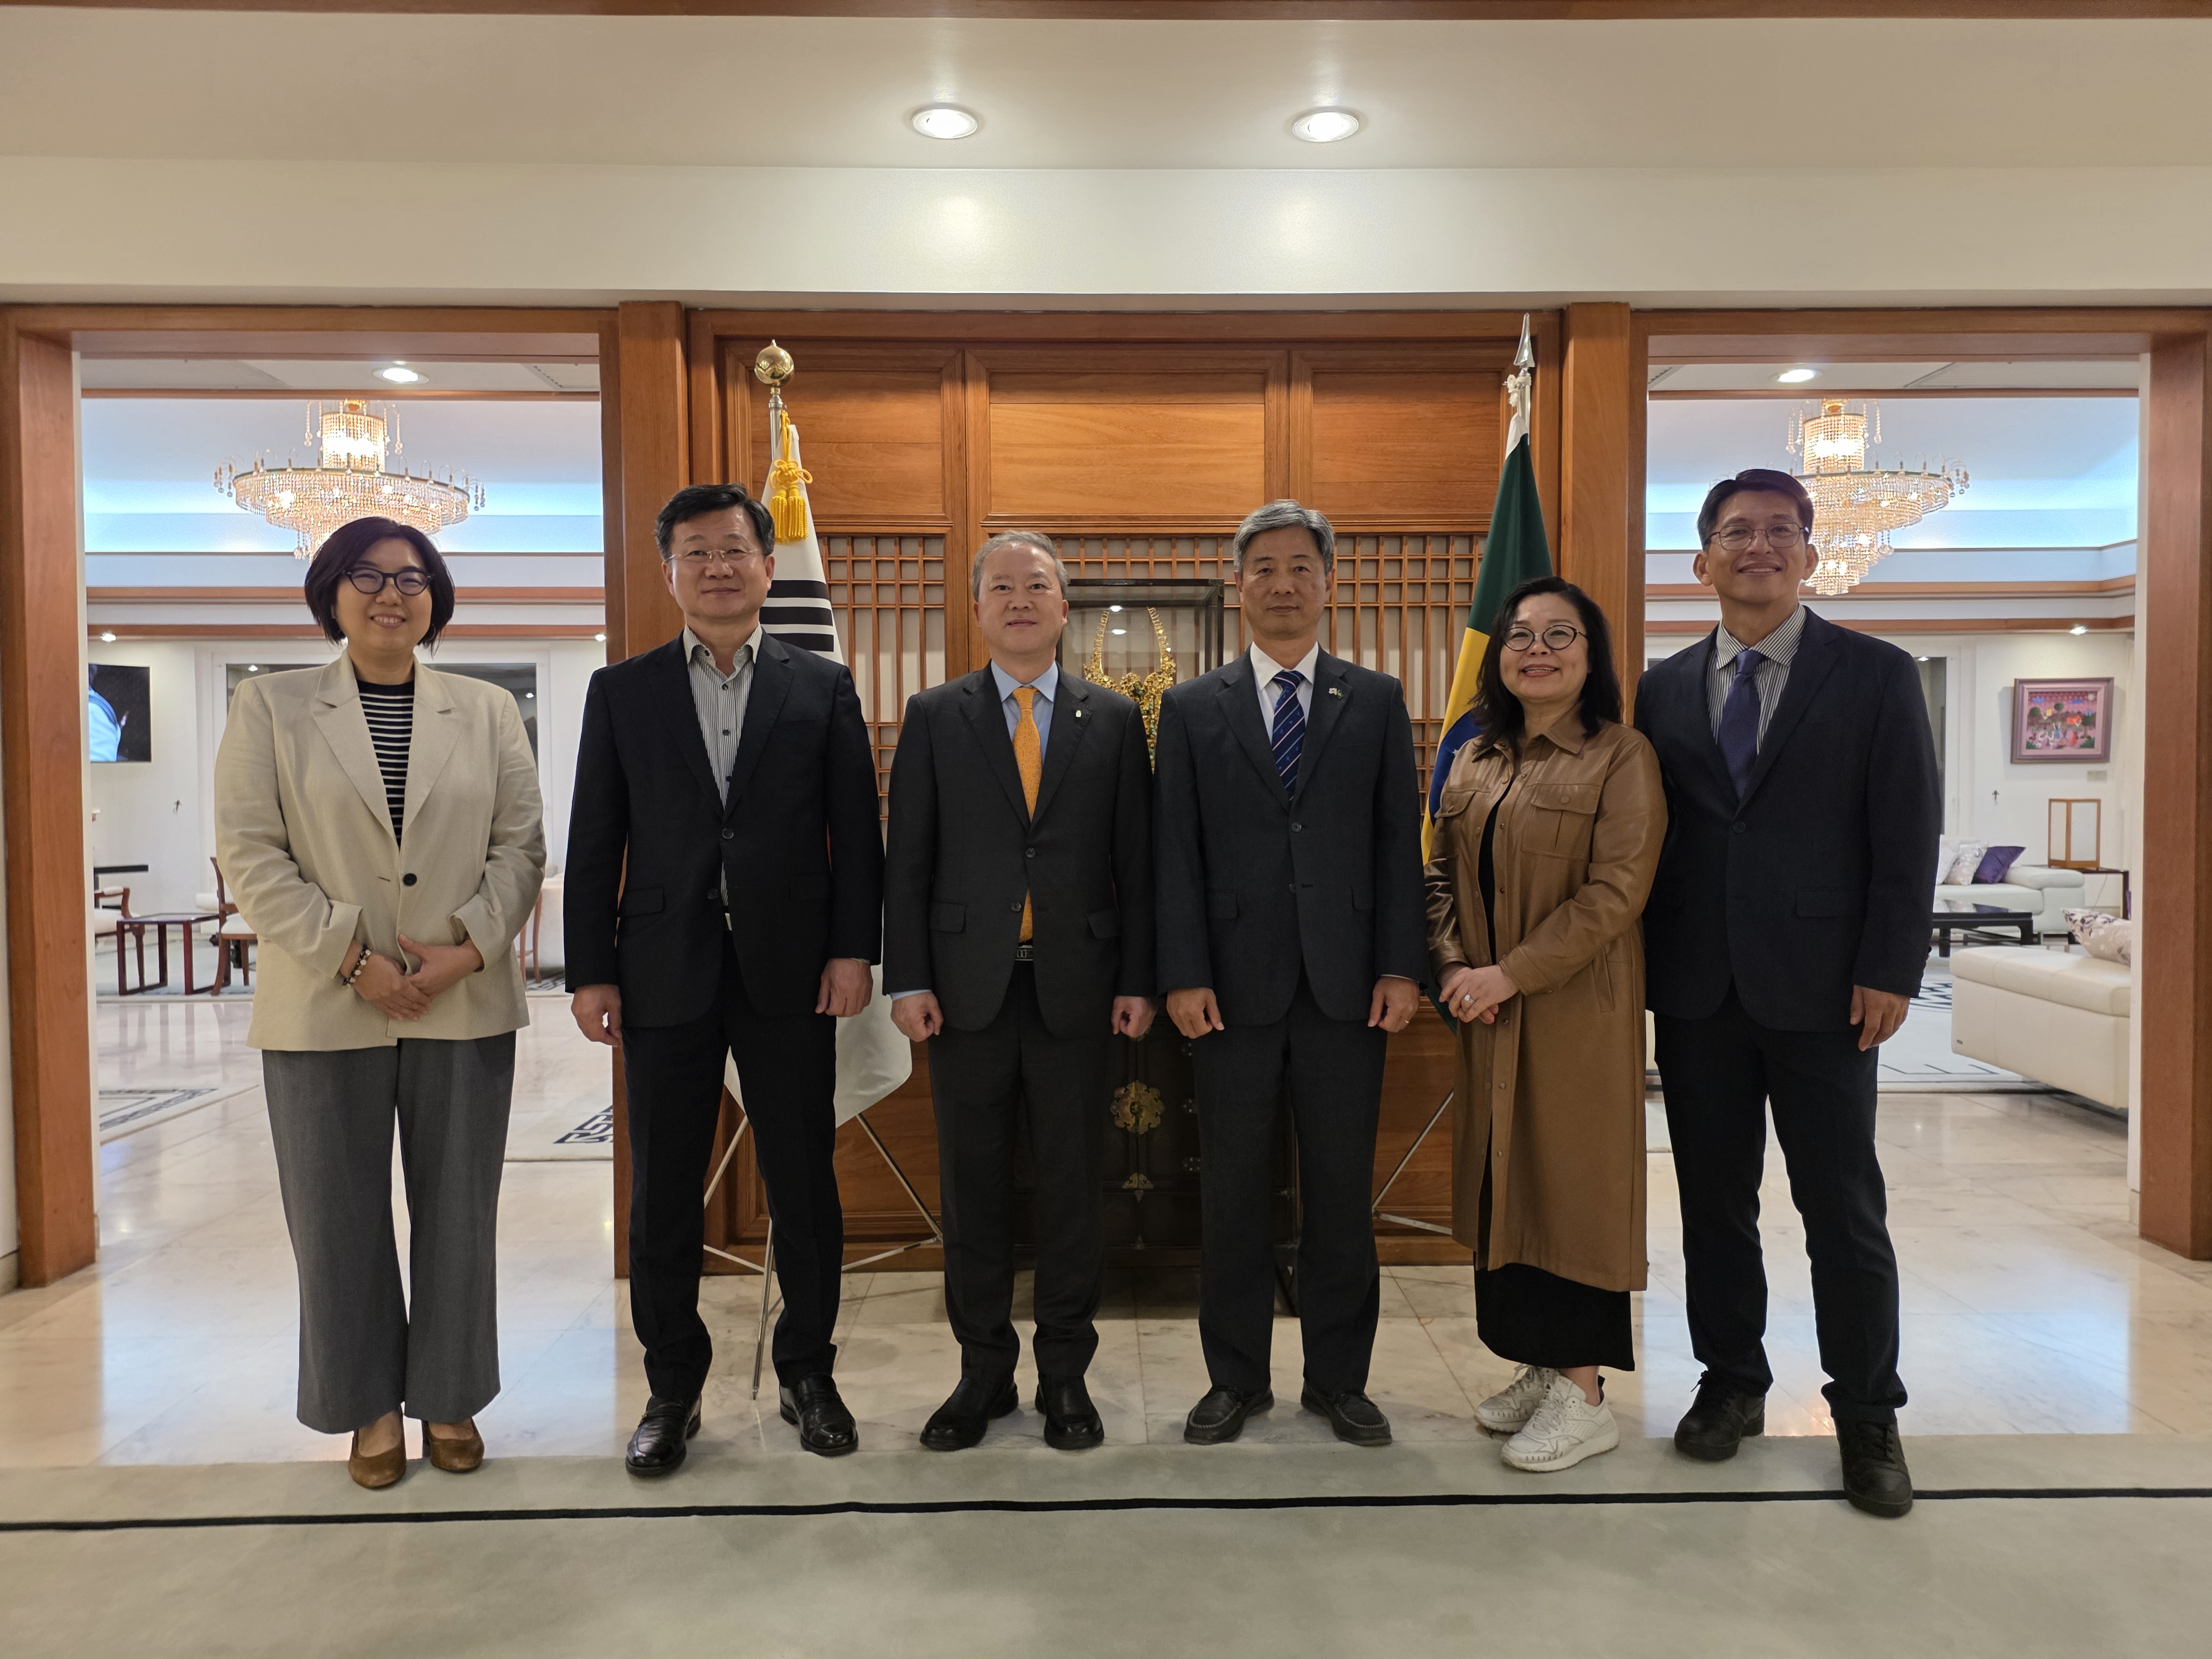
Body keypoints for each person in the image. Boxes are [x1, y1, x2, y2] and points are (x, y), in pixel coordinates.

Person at [215, 515, 545, 1490]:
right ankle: (365, 1404)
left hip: (461, 1000)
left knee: (459, 1213)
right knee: (335, 1217)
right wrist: (353, 958)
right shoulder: (271, 706)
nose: (390, 594)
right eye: (365, 576)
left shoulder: (488, 710)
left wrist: (465, 951)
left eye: (411, 577)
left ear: (436, 597)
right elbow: (250, 853)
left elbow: (521, 846)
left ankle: (449, 1396)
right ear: (330, 594)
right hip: (323, 1004)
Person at [1636, 468, 1940, 1519]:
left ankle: (1868, 1413)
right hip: (1697, 990)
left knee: (1842, 1211)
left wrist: (1890, 967)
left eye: (1780, 531)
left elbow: (1908, 831)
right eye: (1736, 531)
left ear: (1810, 554)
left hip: (1828, 992)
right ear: (1702, 561)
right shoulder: (1661, 688)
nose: (1758, 547)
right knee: (1713, 1207)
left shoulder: (1876, 674)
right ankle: (1731, 1384)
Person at [566, 482, 883, 1477]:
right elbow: (595, 838)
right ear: (670, 572)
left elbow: (856, 833)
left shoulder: (821, 684)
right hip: (663, 971)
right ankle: (673, 1387)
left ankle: (808, 1374)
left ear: (767, 566)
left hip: (794, 971)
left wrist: (854, 949)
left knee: (804, 1183)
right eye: (696, 551)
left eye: (734, 549)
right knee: (663, 1191)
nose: (717, 566)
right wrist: (591, 970)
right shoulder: (622, 691)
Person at [1154, 498, 1426, 1448]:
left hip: (1349, 988)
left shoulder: (1376, 699)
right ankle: (1235, 1380)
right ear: (1238, 586)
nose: (1282, 584)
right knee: (1231, 1192)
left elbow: (1398, 843)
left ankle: (1339, 1380)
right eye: (1263, 568)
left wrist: (1401, 967)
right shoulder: (1193, 707)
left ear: (1328, 582)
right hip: (1227, 990)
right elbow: (1174, 851)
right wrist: (1183, 973)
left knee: (1342, 1194)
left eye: (1300, 566)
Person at [883, 530, 1156, 1452]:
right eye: (1000, 587)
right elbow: (908, 859)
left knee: (1075, 1189)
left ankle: (1065, 1375)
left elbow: (1136, 862)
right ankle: (983, 1372)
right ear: (977, 609)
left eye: (1036, 585)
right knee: (974, 1191)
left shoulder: (1111, 718)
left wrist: (1139, 978)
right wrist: (908, 977)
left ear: (1063, 607)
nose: (1019, 600)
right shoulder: (936, 714)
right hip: (965, 995)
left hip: (1079, 990)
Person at [1424, 577, 1665, 1472]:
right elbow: (1440, 873)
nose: (1537, 650)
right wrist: (1454, 966)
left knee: (1573, 1189)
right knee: (1508, 1186)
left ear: (1591, 655)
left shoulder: (1621, 756)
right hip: (1486, 1008)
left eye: (1561, 635)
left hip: (1574, 1013)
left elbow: (1616, 894)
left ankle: (1587, 1392)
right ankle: (1542, 1363)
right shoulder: (1475, 756)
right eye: (1521, 635)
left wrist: (1510, 973)